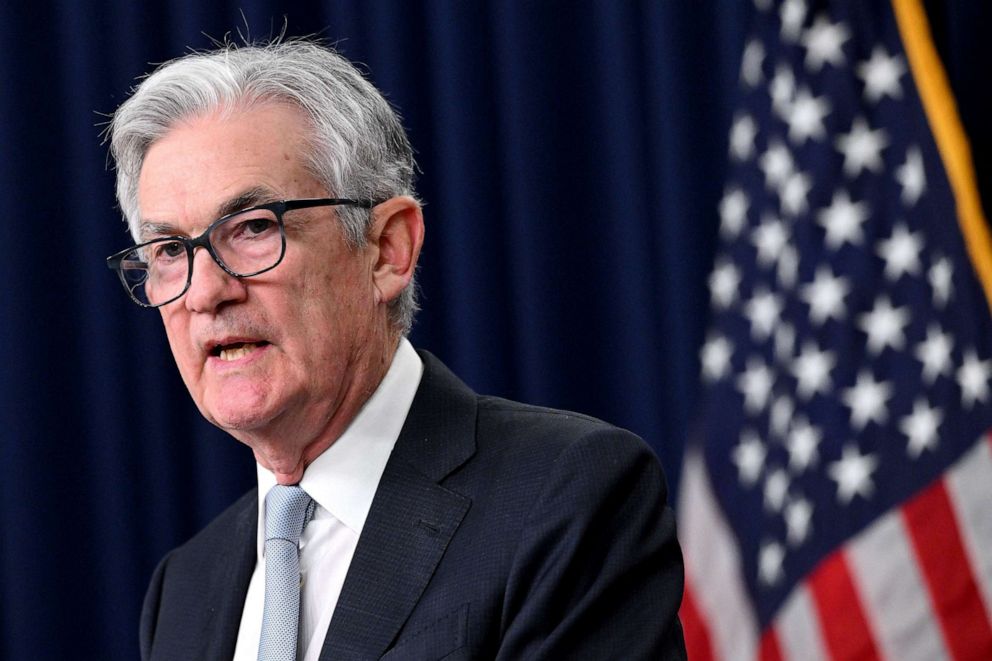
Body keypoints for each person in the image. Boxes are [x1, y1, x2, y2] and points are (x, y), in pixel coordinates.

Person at [105, 39, 686, 661]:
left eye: (253, 228)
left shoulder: (563, 496)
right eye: (170, 251)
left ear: (387, 250)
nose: (206, 292)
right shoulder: (185, 590)